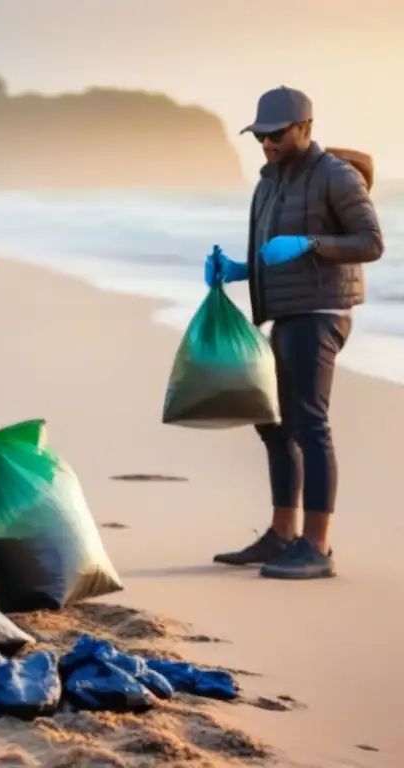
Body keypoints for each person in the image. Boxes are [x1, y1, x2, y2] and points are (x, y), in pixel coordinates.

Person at [206, 87, 383, 580]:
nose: (267, 144)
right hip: (283, 311)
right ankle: (283, 534)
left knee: (308, 422)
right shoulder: (268, 182)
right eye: (260, 136)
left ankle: (317, 546)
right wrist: (238, 270)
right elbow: (267, 254)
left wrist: (310, 243)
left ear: (305, 126)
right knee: (272, 422)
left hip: (322, 310)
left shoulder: (336, 176)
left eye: (276, 134)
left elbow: (371, 242)